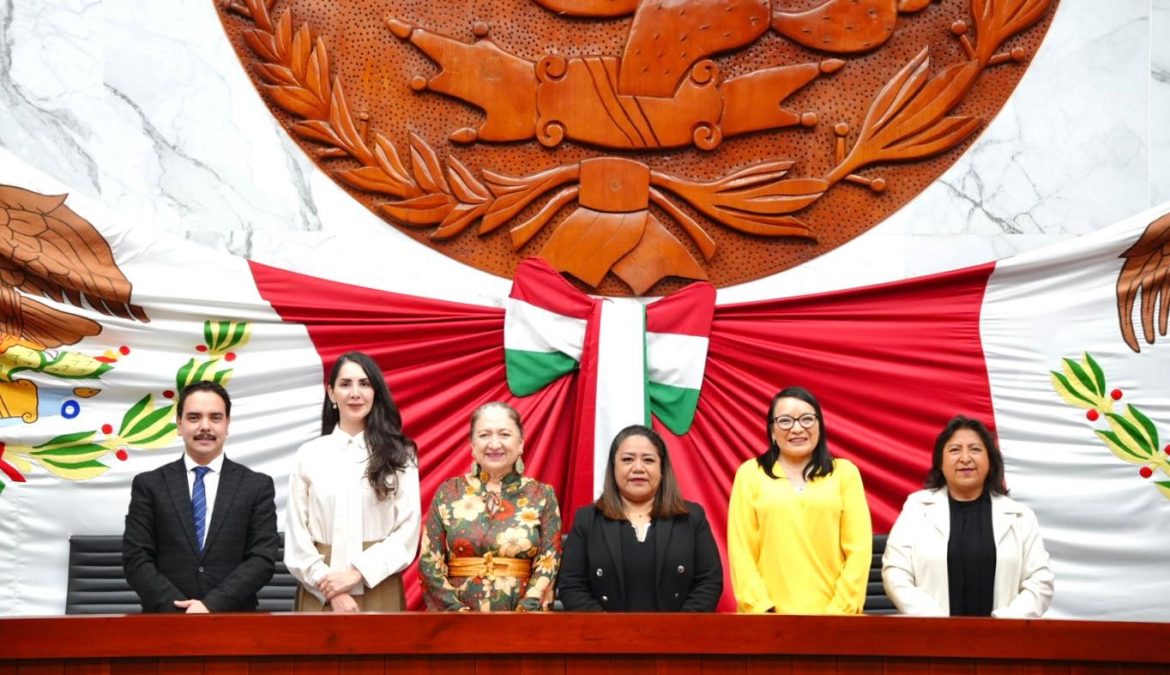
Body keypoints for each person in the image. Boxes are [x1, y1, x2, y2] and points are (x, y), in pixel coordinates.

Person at [122, 381, 279, 612]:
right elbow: (136, 558)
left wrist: (211, 605)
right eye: (194, 417)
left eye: (215, 418)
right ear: (179, 424)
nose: (205, 426)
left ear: (227, 424)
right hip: (164, 622)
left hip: (234, 621)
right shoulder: (149, 485)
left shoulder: (256, 486)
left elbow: (262, 559)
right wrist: (180, 609)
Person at [284, 351, 421, 612]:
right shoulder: (309, 454)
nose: (355, 393)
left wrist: (356, 574)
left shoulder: (401, 455)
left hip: (379, 586)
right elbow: (297, 538)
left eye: (364, 383)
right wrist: (331, 589)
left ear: (376, 392)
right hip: (319, 592)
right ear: (331, 393)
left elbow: (406, 532)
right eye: (345, 384)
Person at [882, 415, 1054, 617]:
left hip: (1003, 640)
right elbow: (895, 573)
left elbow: (1040, 580)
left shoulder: (1020, 517)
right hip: (932, 639)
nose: (965, 458)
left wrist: (1007, 622)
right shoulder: (916, 509)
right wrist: (934, 620)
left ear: (990, 460)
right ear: (940, 461)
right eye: (955, 450)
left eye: (975, 449)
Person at [727, 386, 872, 614]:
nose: (797, 428)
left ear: (820, 426)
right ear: (772, 431)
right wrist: (762, 610)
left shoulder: (845, 473)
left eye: (806, 419)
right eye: (785, 421)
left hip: (835, 619)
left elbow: (859, 550)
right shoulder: (750, 474)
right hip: (768, 622)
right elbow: (741, 552)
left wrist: (838, 612)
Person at [557, 424, 723, 611]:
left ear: (662, 469)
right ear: (613, 468)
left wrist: (678, 630)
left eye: (648, 460)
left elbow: (709, 582)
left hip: (678, 636)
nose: (638, 468)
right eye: (627, 459)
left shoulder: (691, 518)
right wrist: (609, 632)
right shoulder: (588, 520)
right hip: (605, 636)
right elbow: (572, 585)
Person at [419, 401, 562, 611]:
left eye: (504, 434)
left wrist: (526, 611)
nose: (494, 444)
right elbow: (429, 562)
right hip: (455, 622)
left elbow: (549, 560)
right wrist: (455, 612)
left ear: (521, 443)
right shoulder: (448, 493)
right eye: (485, 435)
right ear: (472, 445)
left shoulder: (542, 495)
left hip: (523, 620)